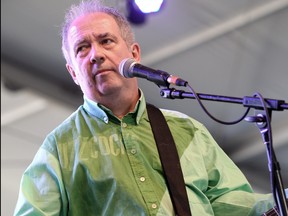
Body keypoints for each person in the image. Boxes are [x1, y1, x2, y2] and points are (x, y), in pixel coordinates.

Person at [14, 0, 279, 215]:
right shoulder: (59, 150)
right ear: (73, 73)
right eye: (82, 48)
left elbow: (234, 204)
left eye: (106, 41)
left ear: (134, 54)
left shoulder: (186, 131)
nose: (96, 54)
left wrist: (280, 203)